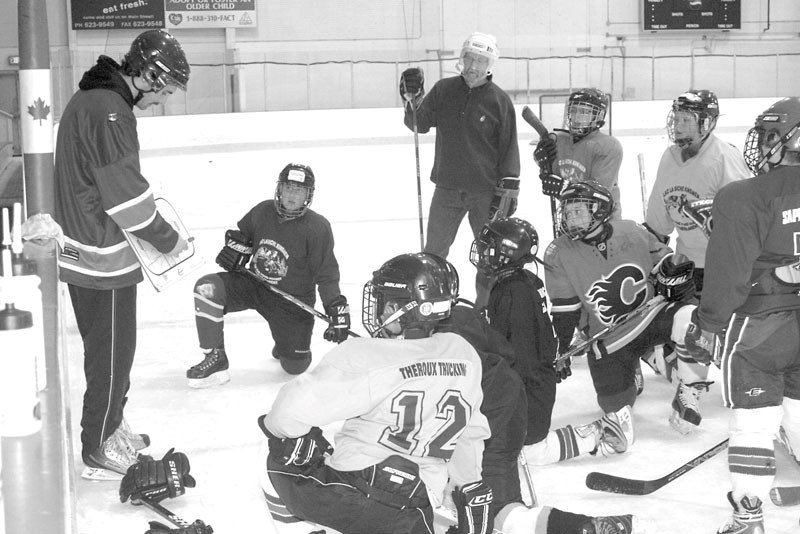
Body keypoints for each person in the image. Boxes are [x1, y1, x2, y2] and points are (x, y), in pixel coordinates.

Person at [260, 252, 644, 534]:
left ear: (402, 308)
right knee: (488, 512)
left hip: (360, 492)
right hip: (416, 505)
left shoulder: (366, 354)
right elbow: (471, 434)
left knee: (276, 464)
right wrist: (467, 486)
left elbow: (285, 415)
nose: (376, 312)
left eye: (383, 304)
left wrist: (293, 439)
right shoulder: (461, 352)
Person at [54, 29, 191, 480]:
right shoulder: (110, 111)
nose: (164, 98)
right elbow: (125, 199)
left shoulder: (95, 100)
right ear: (149, 75)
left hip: (87, 248)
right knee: (112, 354)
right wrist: (169, 239)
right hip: (102, 254)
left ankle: (110, 426)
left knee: (109, 350)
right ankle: (98, 444)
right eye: (165, 88)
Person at [684, 97, 800, 534]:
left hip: (761, 328)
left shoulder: (742, 196)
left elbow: (728, 273)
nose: (761, 145)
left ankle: (748, 516)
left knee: (754, 424)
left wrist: (708, 324)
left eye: (769, 135)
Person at [543, 180, 711, 434]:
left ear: (599, 210)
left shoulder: (631, 231)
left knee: (691, 321)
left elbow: (669, 261)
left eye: (578, 211)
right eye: (566, 213)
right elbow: (566, 310)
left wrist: (674, 272)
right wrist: (559, 349)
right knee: (614, 407)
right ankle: (646, 360)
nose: (570, 218)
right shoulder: (558, 253)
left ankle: (688, 390)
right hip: (609, 339)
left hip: (651, 316)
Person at [469, 217, 633, 465]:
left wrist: (507, 394)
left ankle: (604, 431)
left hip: (530, 384)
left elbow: (520, 354)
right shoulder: (520, 280)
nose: (482, 253)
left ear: (507, 253)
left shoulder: (512, 292)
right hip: (532, 378)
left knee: (530, 452)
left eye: (488, 247)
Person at [186, 163, 349, 386]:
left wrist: (335, 306)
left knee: (294, 366)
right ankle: (215, 357)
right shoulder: (262, 211)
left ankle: (284, 343)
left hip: (291, 301)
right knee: (207, 288)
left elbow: (327, 274)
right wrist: (236, 250)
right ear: (279, 190)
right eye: (288, 188)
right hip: (253, 284)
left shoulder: (317, 227)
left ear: (308, 196)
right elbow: (244, 238)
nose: (292, 195)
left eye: (299, 190)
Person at [398, 32, 520, 307]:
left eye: (481, 60)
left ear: (491, 64)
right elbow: (419, 123)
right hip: (447, 190)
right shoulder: (443, 90)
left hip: (485, 193)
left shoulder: (500, 102)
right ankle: (432, 307)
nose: (474, 66)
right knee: (433, 254)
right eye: (470, 58)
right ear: (462, 59)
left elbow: (509, 148)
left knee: (490, 255)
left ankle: (487, 309)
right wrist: (410, 98)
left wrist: (508, 193)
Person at [645, 89, 750, 295]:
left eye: (686, 120)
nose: (678, 126)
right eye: (676, 119)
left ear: (707, 123)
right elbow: (659, 224)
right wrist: (651, 246)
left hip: (722, 265)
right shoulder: (668, 157)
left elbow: (745, 221)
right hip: (684, 264)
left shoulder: (724, 158)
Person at [533, 88, 623, 217]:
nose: (576, 117)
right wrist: (540, 158)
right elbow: (549, 171)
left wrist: (564, 188)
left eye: (584, 112)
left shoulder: (608, 146)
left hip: (602, 222)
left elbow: (598, 194)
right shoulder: (560, 141)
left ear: (598, 116)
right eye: (573, 110)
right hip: (569, 217)